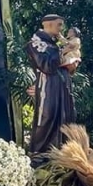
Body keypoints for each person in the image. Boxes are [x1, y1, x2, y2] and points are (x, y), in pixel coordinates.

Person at [25, 14, 78, 162]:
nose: (61, 28)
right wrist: (64, 52)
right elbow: (46, 66)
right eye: (59, 24)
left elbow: (61, 64)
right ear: (48, 24)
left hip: (63, 87)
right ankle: (39, 153)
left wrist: (71, 64)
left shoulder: (53, 44)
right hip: (48, 86)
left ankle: (60, 152)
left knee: (65, 116)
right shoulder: (35, 43)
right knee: (48, 115)